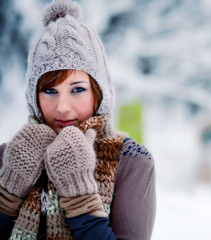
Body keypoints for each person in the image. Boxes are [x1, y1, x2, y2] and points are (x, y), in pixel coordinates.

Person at [0, 0, 156, 239]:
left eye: (77, 89)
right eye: (50, 91)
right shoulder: (7, 156)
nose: (62, 108)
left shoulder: (131, 161)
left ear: (98, 91)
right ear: (34, 96)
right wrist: (8, 191)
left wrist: (80, 197)